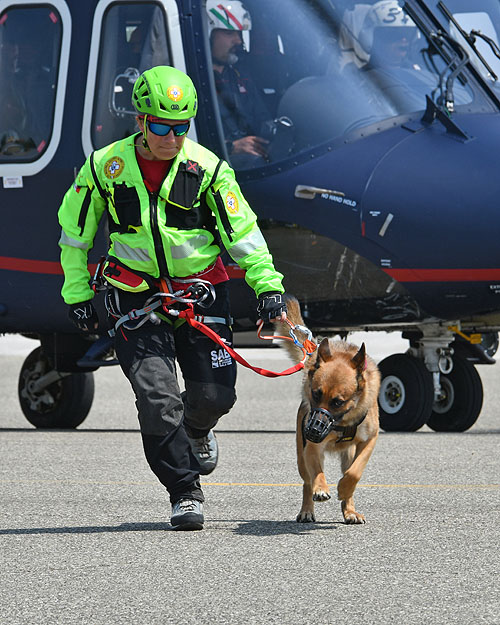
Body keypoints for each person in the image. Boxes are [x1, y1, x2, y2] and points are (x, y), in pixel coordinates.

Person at [58, 66, 287, 531]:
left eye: (181, 127)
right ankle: (184, 491)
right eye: (161, 126)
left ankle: (197, 430)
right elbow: (74, 237)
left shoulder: (208, 170)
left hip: (199, 296)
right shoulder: (106, 167)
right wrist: (78, 293)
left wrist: (269, 287)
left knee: (214, 396)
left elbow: (244, 234)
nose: (171, 137)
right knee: (158, 399)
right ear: (141, 120)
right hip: (133, 299)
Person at [206, 0, 272, 167]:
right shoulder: (194, 80)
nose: (238, 40)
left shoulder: (239, 76)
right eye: (229, 33)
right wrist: (231, 147)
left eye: (239, 33)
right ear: (209, 34)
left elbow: (262, 116)